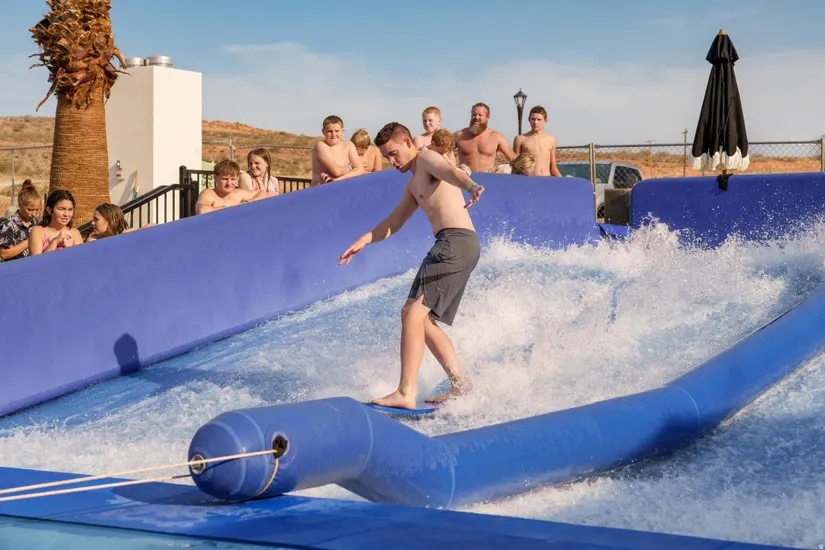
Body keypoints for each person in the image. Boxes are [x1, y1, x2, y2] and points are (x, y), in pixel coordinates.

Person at [338, 122, 484, 410]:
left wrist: (471, 186)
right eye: (387, 157)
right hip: (452, 243)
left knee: (414, 313)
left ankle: (406, 391)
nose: (392, 162)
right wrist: (364, 240)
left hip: (455, 242)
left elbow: (450, 172)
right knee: (416, 316)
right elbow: (393, 222)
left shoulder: (427, 157)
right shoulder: (414, 183)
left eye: (394, 153)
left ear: (407, 142)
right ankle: (460, 385)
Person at [454, 102, 517, 173]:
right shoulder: (459, 135)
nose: (476, 117)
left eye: (480, 115)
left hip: (487, 177)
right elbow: (444, 152)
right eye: (474, 115)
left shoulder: (496, 137)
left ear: (488, 117)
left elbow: (514, 159)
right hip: (465, 177)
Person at [196, 159, 269, 214]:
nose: (229, 183)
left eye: (233, 179)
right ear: (215, 178)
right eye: (224, 179)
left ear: (237, 178)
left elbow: (263, 193)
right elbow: (201, 210)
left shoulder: (239, 193)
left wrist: (246, 203)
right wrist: (230, 208)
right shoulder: (209, 193)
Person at [310, 115, 365, 186]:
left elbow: (360, 170)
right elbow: (336, 171)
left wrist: (338, 179)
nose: (333, 134)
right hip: (322, 190)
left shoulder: (348, 145)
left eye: (336, 131)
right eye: (330, 131)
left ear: (342, 131)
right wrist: (350, 167)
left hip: (342, 189)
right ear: (323, 131)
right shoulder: (320, 146)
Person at [29, 189, 83, 256]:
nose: (66, 214)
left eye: (70, 210)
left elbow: (80, 259)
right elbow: (36, 261)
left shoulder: (75, 233)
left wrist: (68, 247)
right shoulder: (38, 231)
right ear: (49, 210)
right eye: (61, 209)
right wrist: (55, 242)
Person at [512, 106, 562, 177]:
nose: (535, 122)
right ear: (529, 120)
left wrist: (564, 181)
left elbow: (553, 168)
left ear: (545, 120)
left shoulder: (551, 140)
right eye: (533, 119)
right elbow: (516, 166)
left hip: (546, 179)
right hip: (528, 180)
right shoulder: (520, 139)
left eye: (539, 119)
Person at [0, 181, 43, 261]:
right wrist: (29, 241)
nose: (33, 213)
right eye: (29, 209)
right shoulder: (8, 225)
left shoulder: (35, 222)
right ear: (20, 204)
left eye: (37, 210)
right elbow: (4, 254)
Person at [85, 203, 153, 242]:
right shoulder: (93, 241)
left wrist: (128, 233)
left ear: (109, 221)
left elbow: (152, 225)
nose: (92, 223)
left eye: (96, 219)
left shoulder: (124, 236)